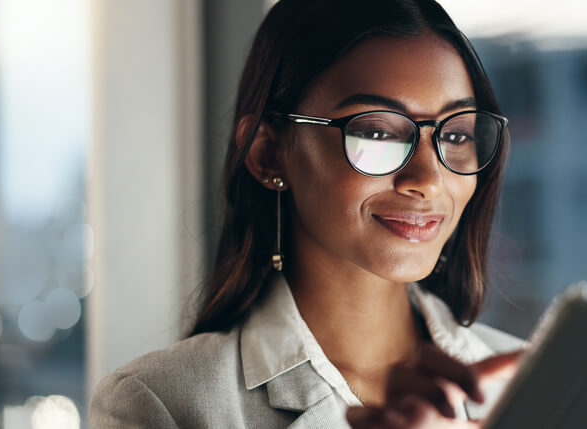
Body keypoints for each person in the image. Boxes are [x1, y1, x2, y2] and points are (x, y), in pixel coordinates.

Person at [89, 0, 526, 427]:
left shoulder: (530, 384)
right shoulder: (161, 403)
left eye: (455, 135)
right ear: (268, 154)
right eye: (376, 132)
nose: (428, 179)